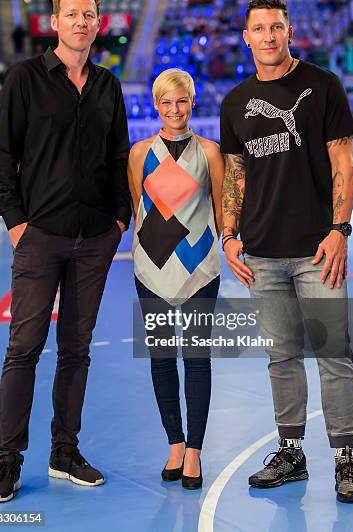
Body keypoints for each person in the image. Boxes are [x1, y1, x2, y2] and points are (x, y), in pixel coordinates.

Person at [0, 0, 131, 502]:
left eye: (89, 15)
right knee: (22, 349)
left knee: (77, 350)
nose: (81, 23)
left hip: (94, 236)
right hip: (39, 234)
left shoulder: (108, 85)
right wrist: (17, 223)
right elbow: (5, 158)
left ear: (99, 24)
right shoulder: (25, 79)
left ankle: (64, 451)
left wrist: (119, 221)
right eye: (72, 14)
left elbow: (119, 160)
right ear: (54, 22)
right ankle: (7, 460)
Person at [220, 0, 353, 503]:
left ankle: (345, 461)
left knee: (333, 354)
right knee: (281, 358)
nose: (268, 35)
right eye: (258, 28)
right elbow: (235, 176)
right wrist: (229, 235)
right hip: (260, 254)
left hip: (317, 251)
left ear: (289, 31)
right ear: (246, 36)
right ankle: (291, 453)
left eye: (276, 27)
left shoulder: (322, 85)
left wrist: (338, 230)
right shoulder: (235, 102)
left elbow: (343, 161)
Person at [128, 69, 223, 490]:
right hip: (151, 267)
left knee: (196, 358)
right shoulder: (138, 154)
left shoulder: (210, 152)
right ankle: (175, 443)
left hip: (201, 267)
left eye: (181, 101)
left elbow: (222, 211)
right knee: (161, 358)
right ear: (156, 105)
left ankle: (196, 451)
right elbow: (139, 208)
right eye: (166, 102)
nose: (174, 110)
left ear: (192, 101)